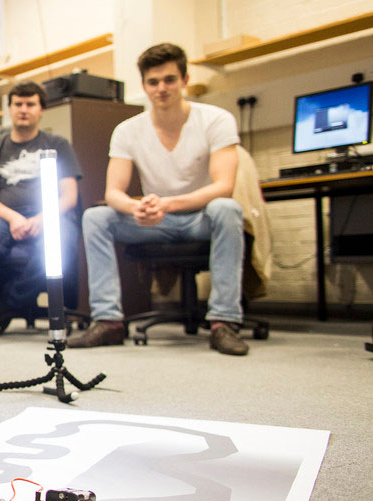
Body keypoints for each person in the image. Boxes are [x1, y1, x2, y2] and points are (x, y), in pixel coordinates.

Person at [68, 43, 249, 355]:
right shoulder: (127, 130)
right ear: (143, 86)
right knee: (95, 217)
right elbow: (113, 193)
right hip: (152, 221)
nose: (161, 88)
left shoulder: (216, 120)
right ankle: (108, 322)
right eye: (153, 82)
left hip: (199, 218)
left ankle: (223, 323)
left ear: (184, 80)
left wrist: (169, 204)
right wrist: (136, 208)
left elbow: (224, 186)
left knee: (227, 208)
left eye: (169, 80)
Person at [0, 81, 82, 334]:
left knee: (61, 244)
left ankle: (7, 305)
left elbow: (69, 197)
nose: (24, 109)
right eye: (18, 104)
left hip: (48, 215)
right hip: (4, 215)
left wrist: (41, 219)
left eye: (30, 104)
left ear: (41, 110)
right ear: (9, 109)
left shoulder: (58, 144)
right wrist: (14, 219)